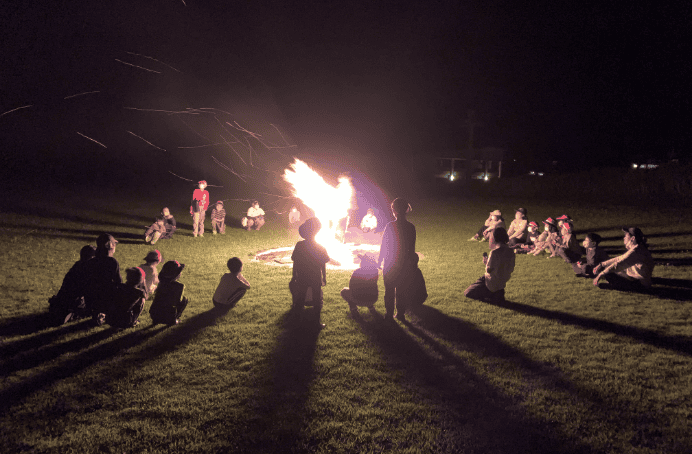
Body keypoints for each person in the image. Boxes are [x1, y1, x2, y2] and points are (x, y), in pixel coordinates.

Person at [378, 197, 416, 322]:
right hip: (404, 263)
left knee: (389, 291)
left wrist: (380, 260)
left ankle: (389, 314)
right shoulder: (411, 227)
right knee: (401, 290)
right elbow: (411, 248)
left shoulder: (390, 226)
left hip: (390, 263)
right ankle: (400, 314)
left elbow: (384, 245)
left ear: (393, 210)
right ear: (407, 210)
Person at [290, 217, 330, 327]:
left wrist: (294, 276)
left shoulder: (299, 245)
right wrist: (324, 277)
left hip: (302, 276)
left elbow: (295, 262)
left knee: (300, 298)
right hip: (315, 277)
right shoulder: (320, 247)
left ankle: (296, 321)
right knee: (317, 299)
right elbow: (323, 263)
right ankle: (316, 323)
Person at [464, 227, 515, 302]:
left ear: (495, 238)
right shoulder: (511, 251)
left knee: (467, 293)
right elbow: (511, 267)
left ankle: (490, 294)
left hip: (490, 280)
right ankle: (497, 293)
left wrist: (486, 263)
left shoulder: (495, 252)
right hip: (502, 281)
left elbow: (489, 270)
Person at [48, 245, 95, 325]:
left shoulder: (77, 265)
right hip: (74, 300)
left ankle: (62, 310)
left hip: (63, 297)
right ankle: (73, 312)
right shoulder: (87, 269)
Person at [85, 233, 122, 326]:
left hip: (91, 295)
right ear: (111, 246)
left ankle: (97, 313)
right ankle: (106, 314)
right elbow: (118, 281)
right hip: (106, 294)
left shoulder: (91, 261)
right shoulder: (112, 262)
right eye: (114, 244)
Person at [150, 260, 189, 325]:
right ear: (177, 274)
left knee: (160, 302)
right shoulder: (179, 286)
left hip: (154, 313)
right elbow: (177, 302)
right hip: (168, 316)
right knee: (184, 299)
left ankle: (156, 320)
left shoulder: (161, 283)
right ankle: (174, 319)